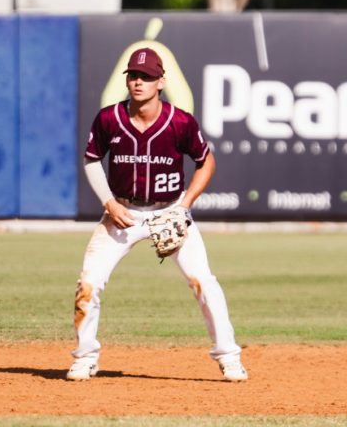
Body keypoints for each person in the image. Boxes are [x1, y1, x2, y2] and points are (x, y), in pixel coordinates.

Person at [68, 48, 247, 382]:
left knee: (203, 281)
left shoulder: (180, 122)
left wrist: (184, 206)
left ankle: (229, 357)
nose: (139, 82)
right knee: (88, 284)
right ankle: (85, 357)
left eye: (147, 77)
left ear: (161, 82)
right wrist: (109, 202)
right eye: (134, 76)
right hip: (122, 212)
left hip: (169, 212)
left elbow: (206, 161)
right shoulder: (109, 119)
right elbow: (92, 159)